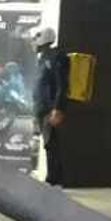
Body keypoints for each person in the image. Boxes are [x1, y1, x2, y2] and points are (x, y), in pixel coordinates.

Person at [33, 24, 71, 185]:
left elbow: (61, 84)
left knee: (51, 144)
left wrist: (57, 107)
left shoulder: (55, 57)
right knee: (49, 144)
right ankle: (54, 177)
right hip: (42, 107)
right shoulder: (43, 58)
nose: (34, 42)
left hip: (49, 108)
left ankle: (54, 178)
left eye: (36, 38)